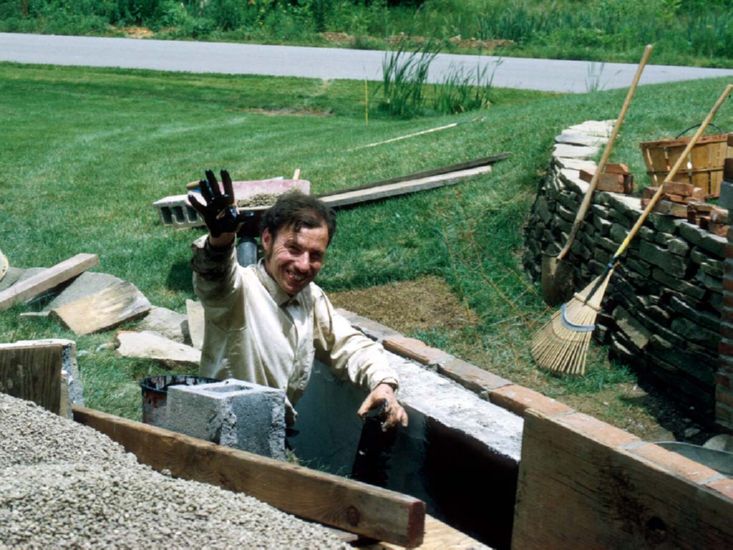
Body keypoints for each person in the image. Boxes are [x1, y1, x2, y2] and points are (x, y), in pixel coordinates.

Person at [189, 169, 408, 431]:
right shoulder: (237, 290)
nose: (304, 265)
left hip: (272, 432)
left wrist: (384, 383)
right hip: (220, 433)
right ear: (267, 240)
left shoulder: (310, 297)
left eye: (315, 255)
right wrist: (221, 240)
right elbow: (214, 275)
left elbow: (351, 345)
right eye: (293, 249)